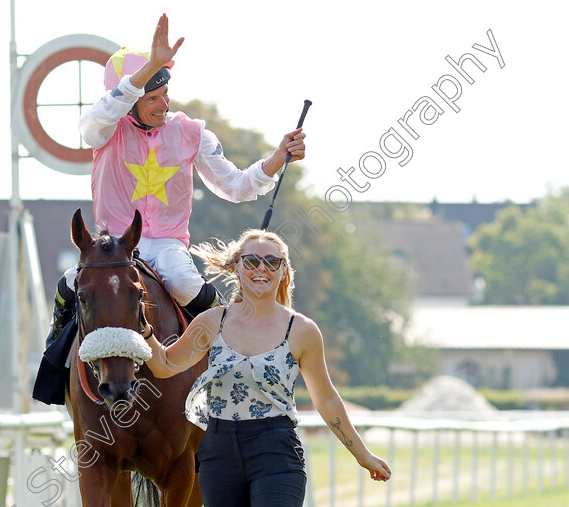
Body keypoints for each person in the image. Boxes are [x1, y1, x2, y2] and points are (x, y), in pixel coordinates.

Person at [39, 13, 306, 379]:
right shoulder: (104, 130)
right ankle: (56, 348)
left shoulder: (192, 132)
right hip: (113, 245)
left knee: (183, 284)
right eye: (153, 98)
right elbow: (100, 115)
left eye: (166, 94)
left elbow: (237, 186)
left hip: (167, 245)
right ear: (130, 101)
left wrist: (276, 160)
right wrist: (150, 64)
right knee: (72, 282)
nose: (164, 105)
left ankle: (232, 356)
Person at [140, 229, 391, 506]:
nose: (262, 269)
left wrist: (362, 454)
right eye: (251, 261)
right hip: (218, 454)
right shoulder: (210, 322)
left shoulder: (302, 330)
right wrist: (143, 330)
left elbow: (327, 399)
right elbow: (164, 365)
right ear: (236, 267)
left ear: (284, 271)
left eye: (272, 262)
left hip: (277, 452)